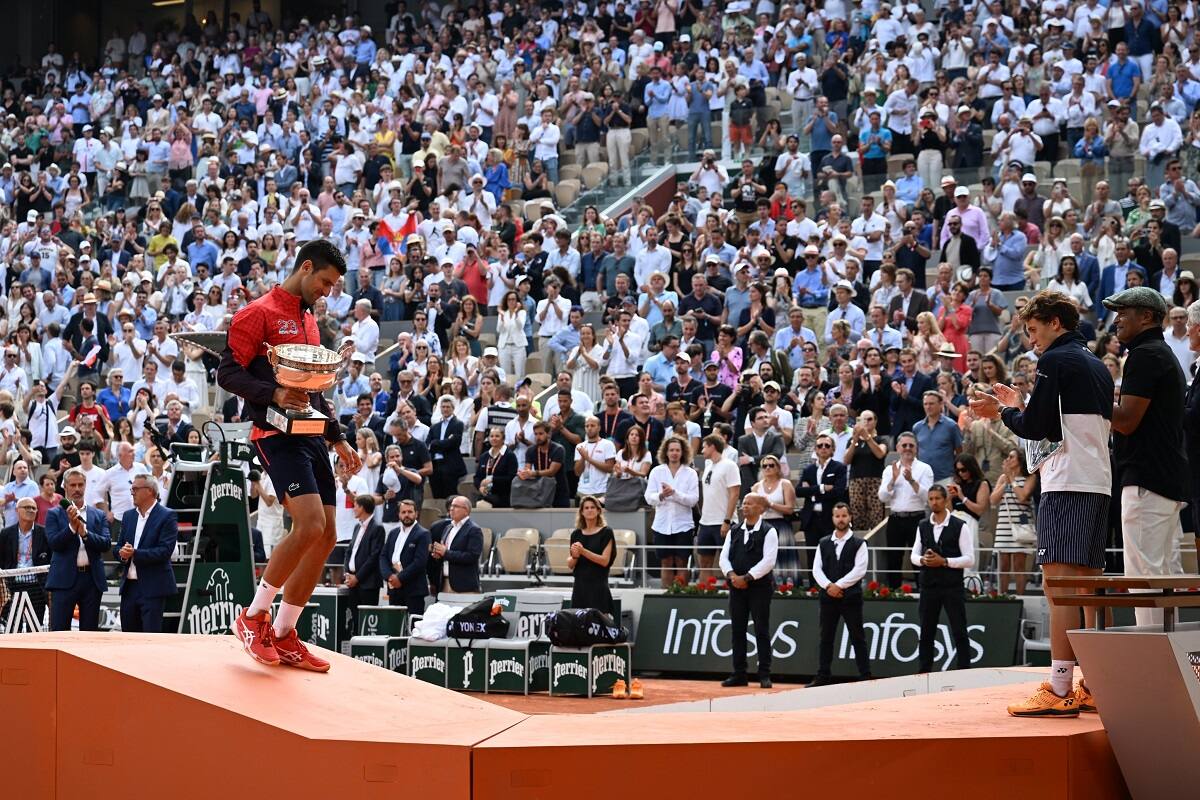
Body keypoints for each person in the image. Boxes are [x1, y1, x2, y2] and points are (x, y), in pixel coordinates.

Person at [217, 238, 363, 672]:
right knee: (310, 524)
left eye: (334, 285)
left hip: (311, 434)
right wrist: (275, 392)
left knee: (328, 534)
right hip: (273, 432)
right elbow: (227, 373)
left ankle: (283, 632)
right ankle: (252, 617)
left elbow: (314, 389)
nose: (328, 292)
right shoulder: (256, 313)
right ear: (304, 268)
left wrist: (338, 437)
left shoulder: (310, 321)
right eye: (325, 282)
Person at [970, 290, 1113, 718]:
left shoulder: (1055, 361)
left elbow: (1039, 428)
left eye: (1033, 330)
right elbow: (1058, 425)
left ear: (1055, 322)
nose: (1031, 340)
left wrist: (1003, 413)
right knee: (1086, 586)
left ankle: (1059, 685)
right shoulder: (1097, 367)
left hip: (1066, 483)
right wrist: (1021, 405)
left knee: (1059, 589)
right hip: (1097, 482)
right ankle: (1095, 682)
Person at [1105, 287, 1189, 625]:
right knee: (1161, 575)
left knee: (1144, 578)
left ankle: (1153, 670)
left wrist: (1091, 397)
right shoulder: (1158, 352)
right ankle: (1170, 668)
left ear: (1148, 317)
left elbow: (1125, 421)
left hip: (1146, 480)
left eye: (1124, 311)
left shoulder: (1145, 355)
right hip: (1163, 479)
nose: (1116, 319)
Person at [911, 485, 974, 673]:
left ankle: (964, 670)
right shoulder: (922, 525)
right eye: (931, 499)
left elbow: (970, 559)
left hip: (952, 586)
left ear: (946, 500)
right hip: (929, 586)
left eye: (938, 498)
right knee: (926, 631)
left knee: (959, 630)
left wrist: (944, 562)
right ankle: (924, 670)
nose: (934, 502)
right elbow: (913, 555)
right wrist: (924, 560)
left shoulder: (959, 526)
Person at [718, 492, 778, 689]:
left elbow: (769, 561)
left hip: (759, 588)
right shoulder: (734, 530)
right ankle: (739, 673)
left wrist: (748, 577)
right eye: (743, 503)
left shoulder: (769, 531)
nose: (744, 506)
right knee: (737, 630)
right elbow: (724, 558)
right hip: (736, 587)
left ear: (760, 508)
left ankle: (764, 674)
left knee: (761, 629)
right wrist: (732, 576)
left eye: (749, 504)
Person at [808, 502, 871, 686]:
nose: (841, 519)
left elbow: (860, 570)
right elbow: (816, 569)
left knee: (857, 636)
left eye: (844, 516)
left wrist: (838, 586)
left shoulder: (860, 543)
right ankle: (823, 676)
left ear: (850, 517)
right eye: (837, 516)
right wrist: (829, 586)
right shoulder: (823, 542)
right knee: (826, 637)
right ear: (833, 518)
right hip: (828, 598)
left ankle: (865, 676)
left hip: (851, 597)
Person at [44, 468, 110, 631]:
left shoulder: (98, 515)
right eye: (72, 485)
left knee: (90, 632)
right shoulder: (54, 514)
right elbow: (54, 544)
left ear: (86, 486)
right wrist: (72, 529)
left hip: (91, 579)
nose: (77, 489)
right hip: (63, 579)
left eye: (80, 484)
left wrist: (85, 534)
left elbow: (105, 544)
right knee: (59, 631)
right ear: (65, 487)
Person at [113, 473, 178, 633]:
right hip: (129, 587)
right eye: (131, 488)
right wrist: (122, 553)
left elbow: (164, 551)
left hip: (153, 586)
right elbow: (118, 547)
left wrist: (134, 553)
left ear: (149, 491)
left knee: (150, 636)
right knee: (128, 635)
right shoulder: (129, 516)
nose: (132, 492)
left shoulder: (167, 515)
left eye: (135, 488)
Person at [877, 432, 934, 587]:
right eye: (904, 445)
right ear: (897, 448)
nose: (907, 448)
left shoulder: (924, 468)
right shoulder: (890, 470)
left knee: (918, 558)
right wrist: (893, 481)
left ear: (916, 449)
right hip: (895, 518)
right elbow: (882, 497)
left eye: (911, 445)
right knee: (894, 558)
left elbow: (928, 497)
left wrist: (911, 480)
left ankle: (923, 591)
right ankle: (894, 592)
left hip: (917, 518)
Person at [645, 435, 699, 588]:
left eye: (677, 450)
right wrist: (661, 495)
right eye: (671, 450)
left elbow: (693, 500)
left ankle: (682, 595)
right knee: (665, 561)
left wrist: (674, 493)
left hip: (684, 525)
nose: (674, 453)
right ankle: (666, 594)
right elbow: (649, 498)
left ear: (683, 452)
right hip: (662, 525)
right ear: (666, 452)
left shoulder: (691, 473)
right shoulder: (656, 471)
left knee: (682, 562)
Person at [796, 432, 849, 556]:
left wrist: (811, 491)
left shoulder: (839, 468)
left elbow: (838, 492)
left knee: (830, 554)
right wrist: (822, 488)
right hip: (811, 518)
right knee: (812, 555)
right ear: (815, 449)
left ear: (833, 449)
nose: (823, 448)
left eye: (827, 445)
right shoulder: (809, 469)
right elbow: (799, 491)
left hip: (829, 517)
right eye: (820, 446)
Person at [0, 497, 50, 626]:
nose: (31, 510)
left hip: (36, 586)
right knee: (10, 627)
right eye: (27, 507)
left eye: (33, 508)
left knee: (34, 626)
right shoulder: (5, 534)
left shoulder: (44, 533)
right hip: (12, 586)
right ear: (17, 510)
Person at [698, 433, 741, 579]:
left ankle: (731, 594)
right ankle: (705, 591)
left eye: (704, 447)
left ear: (712, 447)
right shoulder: (709, 465)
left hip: (723, 521)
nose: (702, 450)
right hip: (705, 522)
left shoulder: (730, 465)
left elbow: (735, 494)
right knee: (704, 561)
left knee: (729, 562)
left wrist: (727, 520)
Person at [379, 499, 430, 617]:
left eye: (410, 512)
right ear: (399, 514)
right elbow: (383, 557)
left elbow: (420, 562)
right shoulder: (393, 533)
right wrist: (389, 576)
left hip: (413, 589)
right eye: (403, 512)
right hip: (394, 589)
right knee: (394, 626)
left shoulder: (423, 534)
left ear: (416, 514)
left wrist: (399, 578)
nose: (406, 515)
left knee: (413, 626)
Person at [343, 494, 385, 630]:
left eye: (355, 506)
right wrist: (347, 573)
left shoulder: (377, 528)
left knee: (367, 622)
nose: (353, 509)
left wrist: (358, 577)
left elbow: (373, 557)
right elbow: (349, 551)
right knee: (355, 619)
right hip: (353, 582)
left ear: (363, 507)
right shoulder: (357, 527)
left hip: (368, 583)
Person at [568, 495, 616, 614]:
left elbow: (605, 561)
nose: (589, 510)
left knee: (599, 626)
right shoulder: (576, 534)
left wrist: (583, 551)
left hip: (598, 586)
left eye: (593, 507)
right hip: (580, 587)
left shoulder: (606, 532)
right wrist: (575, 556)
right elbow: (570, 564)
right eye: (586, 508)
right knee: (579, 627)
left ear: (598, 510)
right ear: (582, 512)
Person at [428, 495, 483, 596]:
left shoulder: (474, 530)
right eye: (451, 506)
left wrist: (446, 552)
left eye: (456, 506)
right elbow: (446, 554)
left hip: (464, 586)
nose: (451, 509)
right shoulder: (448, 528)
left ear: (466, 510)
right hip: (444, 583)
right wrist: (439, 555)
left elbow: (472, 556)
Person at [427, 395, 467, 499]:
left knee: (450, 496)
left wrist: (436, 443)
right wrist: (443, 442)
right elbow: (428, 444)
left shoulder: (458, 424)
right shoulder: (435, 427)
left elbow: (454, 443)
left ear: (453, 409)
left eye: (448, 407)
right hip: (435, 465)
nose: (445, 409)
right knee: (437, 496)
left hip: (450, 465)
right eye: (443, 407)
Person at [475, 426, 519, 508]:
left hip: (503, 495)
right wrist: (480, 487)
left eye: (497, 436)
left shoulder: (509, 456)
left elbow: (511, 478)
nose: (494, 438)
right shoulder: (484, 456)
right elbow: (477, 477)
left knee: (482, 505)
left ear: (503, 439)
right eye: (491, 436)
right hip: (485, 494)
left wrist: (492, 479)